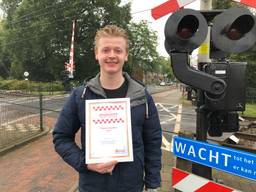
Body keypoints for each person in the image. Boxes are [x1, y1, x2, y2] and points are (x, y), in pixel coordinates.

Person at [53, 25, 162, 192]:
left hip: (131, 186)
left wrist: (153, 184)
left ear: (125, 55)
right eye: (106, 50)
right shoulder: (80, 96)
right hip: (92, 186)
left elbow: (153, 142)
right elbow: (61, 137)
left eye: (118, 50)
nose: (112, 55)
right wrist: (85, 162)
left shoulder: (142, 97)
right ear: (97, 54)